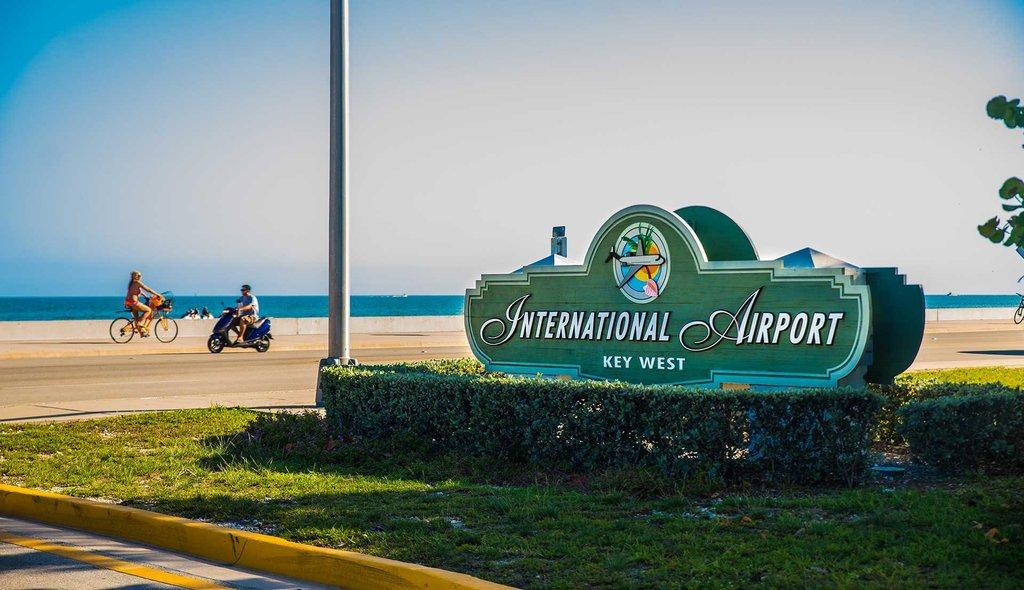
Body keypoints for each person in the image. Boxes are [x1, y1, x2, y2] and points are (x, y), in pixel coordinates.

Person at [124, 270, 160, 336]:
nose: (140, 277)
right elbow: (148, 289)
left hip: (128, 302)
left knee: (136, 319)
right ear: (134, 276)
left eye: (140, 275)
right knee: (149, 310)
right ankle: (140, 323)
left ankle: (141, 333)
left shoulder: (131, 283)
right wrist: (158, 295)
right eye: (138, 275)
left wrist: (145, 296)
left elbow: (139, 291)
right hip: (133, 302)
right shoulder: (137, 282)